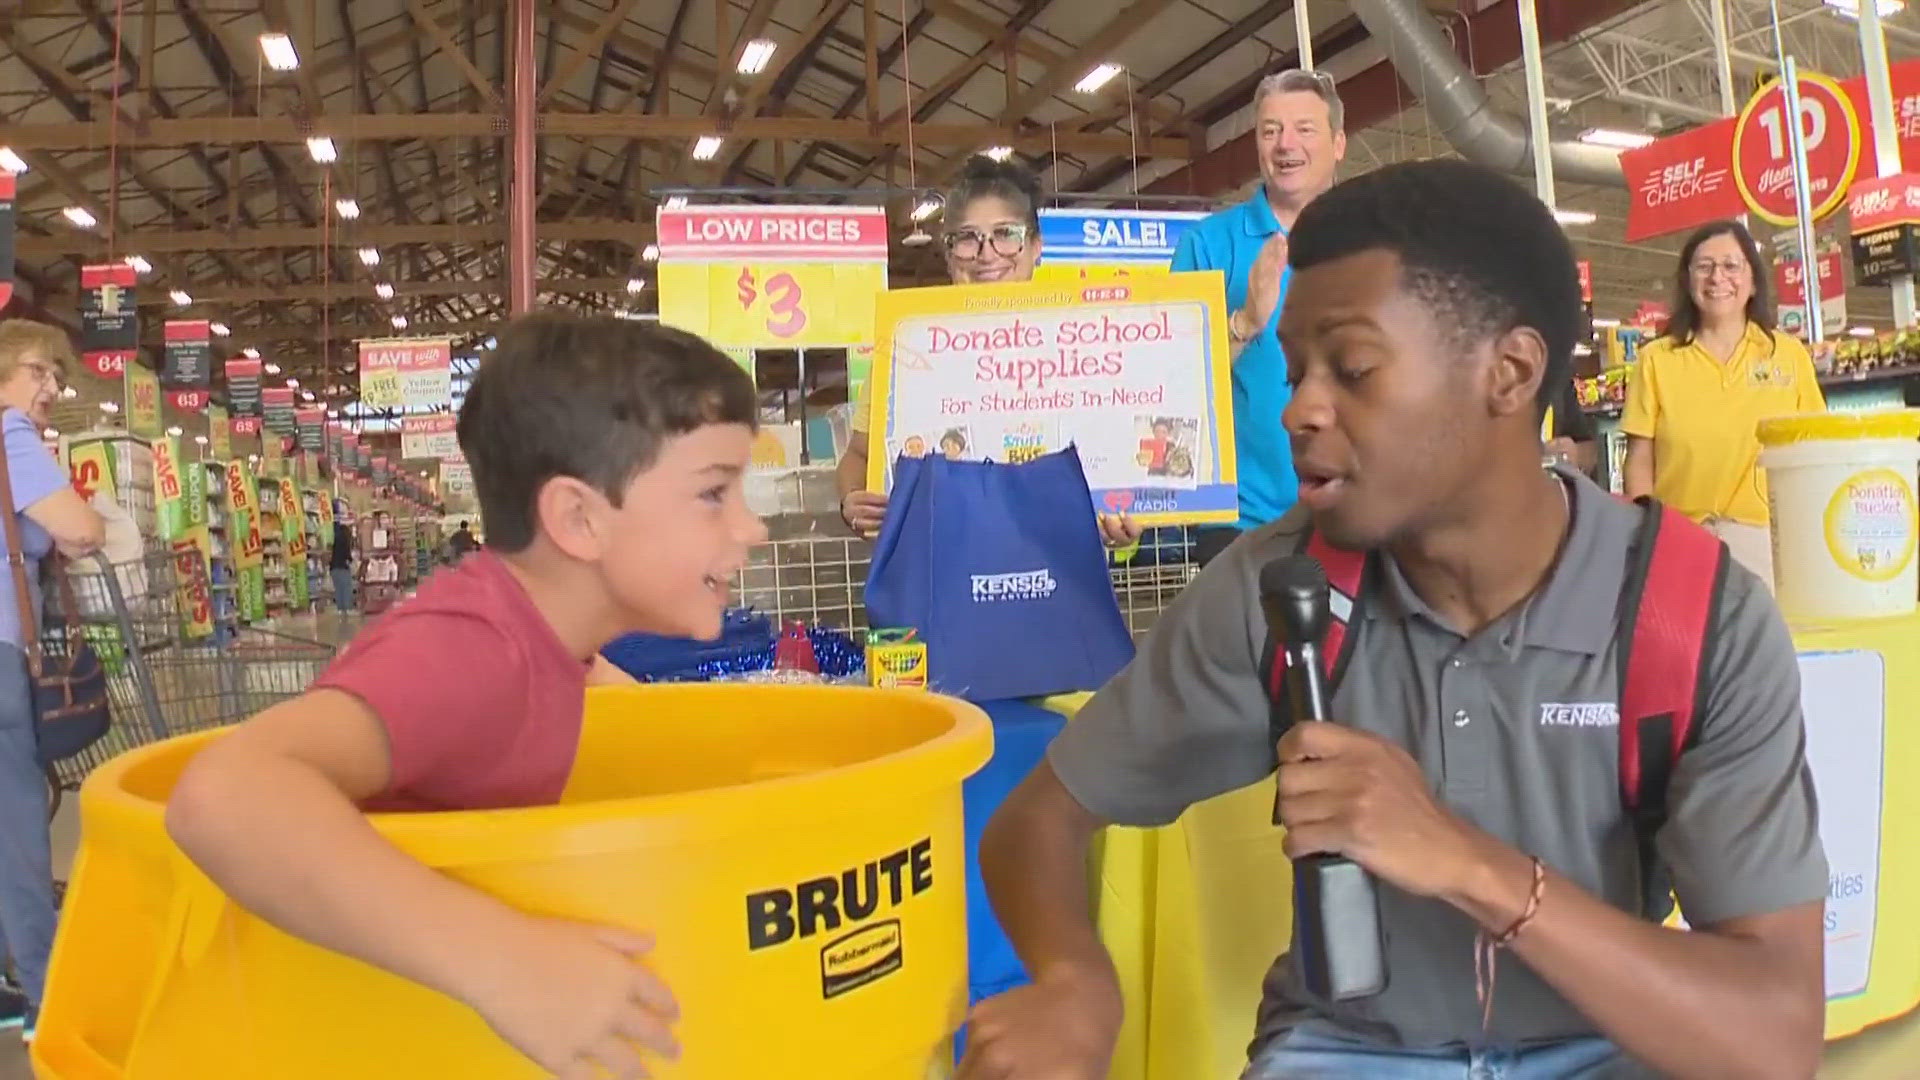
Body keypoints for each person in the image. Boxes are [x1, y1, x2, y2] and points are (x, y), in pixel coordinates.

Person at [962, 161, 1825, 1080]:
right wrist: (1073, 983)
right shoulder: (1278, 592)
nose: (1300, 408)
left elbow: (1772, 1037)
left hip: (1613, 1041)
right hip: (1349, 1051)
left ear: (1511, 372)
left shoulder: (1695, 618)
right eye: (1296, 372)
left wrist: (1468, 864)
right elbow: (1036, 821)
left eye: (1354, 367)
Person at [165, 314, 765, 1079]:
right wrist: (507, 962)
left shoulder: (544, 643)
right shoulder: (473, 650)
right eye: (715, 493)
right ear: (579, 519)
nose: (753, 528)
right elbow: (224, 795)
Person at [837, 155, 1141, 549]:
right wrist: (851, 503)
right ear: (948, 255)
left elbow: (1121, 464)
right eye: (966, 238)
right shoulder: (908, 350)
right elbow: (859, 455)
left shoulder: (1091, 348)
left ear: (1036, 246)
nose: (986, 254)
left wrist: (1118, 519)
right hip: (942, 572)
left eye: (1006, 233)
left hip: (1059, 568)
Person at [1170, 68, 1345, 564]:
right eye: (1271, 131)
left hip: (1359, 509)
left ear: (1338, 144)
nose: (1285, 144)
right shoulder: (1206, 245)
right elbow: (1172, 386)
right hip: (1240, 523)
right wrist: (1244, 320)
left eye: (1304, 129)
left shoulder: (1376, 237)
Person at [1620, 220, 1826, 586]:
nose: (1717, 277)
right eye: (1704, 266)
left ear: (1753, 281)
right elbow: (1639, 457)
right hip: (1678, 537)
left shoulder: (1787, 354)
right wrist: (1644, 532)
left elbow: (1813, 447)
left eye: (1731, 265)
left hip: (1766, 537)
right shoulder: (1657, 359)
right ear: (1687, 280)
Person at [0, 321, 105, 1041]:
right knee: (16, 834)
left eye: (57, 377)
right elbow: (83, 530)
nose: (50, 389)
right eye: (39, 371)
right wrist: (77, 525)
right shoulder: (9, 436)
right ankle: (48, 993)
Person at [329, 506, 355, 614]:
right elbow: (346, 552)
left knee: (338, 590)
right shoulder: (345, 534)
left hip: (333, 567)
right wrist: (350, 559)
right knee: (346, 590)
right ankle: (347, 612)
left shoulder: (331, 532)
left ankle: (340, 612)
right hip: (343, 566)